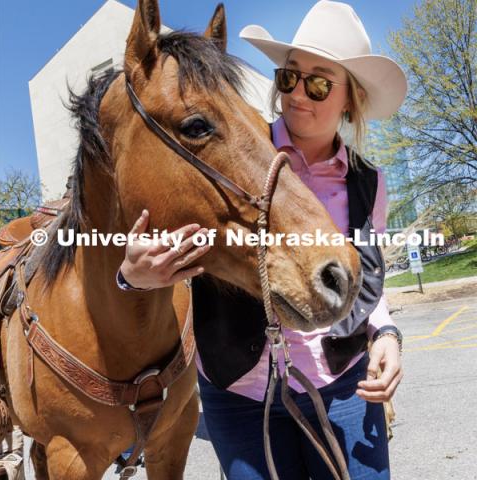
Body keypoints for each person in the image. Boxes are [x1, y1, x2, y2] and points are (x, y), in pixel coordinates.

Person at [117, 1, 407, 478]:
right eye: (289, 77)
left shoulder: (367, 182)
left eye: (318, 83)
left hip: (341, 382)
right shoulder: (232, 147)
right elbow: (158, 248)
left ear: (349, 99)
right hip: (239, 392)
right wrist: (132, 277)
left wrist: (387, 335)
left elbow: (369, 277)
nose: (297, 94)